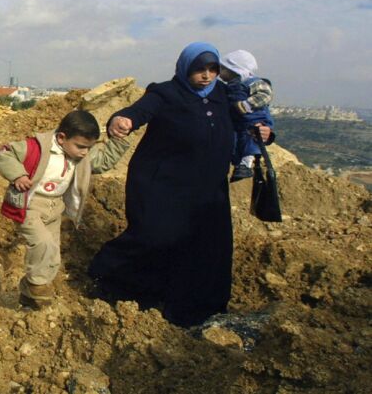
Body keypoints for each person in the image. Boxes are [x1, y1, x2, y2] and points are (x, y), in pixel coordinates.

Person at [87, 42, 272, 327]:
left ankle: (195, 311)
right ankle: (111, 279)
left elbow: (250, 120)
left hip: (208, 191)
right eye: (200, 69)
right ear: (186, 68)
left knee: (208, 248)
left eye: (213, 69)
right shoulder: (165, 92)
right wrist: (122, 120)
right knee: (154, 237)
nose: (207, 76)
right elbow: (139, 111)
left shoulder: (225, 94)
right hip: (162, 185)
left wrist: (265, 133)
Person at [0, 109, 131, 308]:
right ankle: (37, 285)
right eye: (80, 146)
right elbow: (5, 153)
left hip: (55, 207)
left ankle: (29, 297)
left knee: (53, 255)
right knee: (43, 245)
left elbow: (102, 163)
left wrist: (117, 142)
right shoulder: (36, 148)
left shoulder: (81, 155)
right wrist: (18, 175)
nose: (85, 152)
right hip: (30, 205)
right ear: (61, 137)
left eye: (88, 147)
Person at [218, 50, 275, 182]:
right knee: (236, 141)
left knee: (249, 140)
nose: (220, 72)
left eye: (223, 69)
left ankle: (246, 164)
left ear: (235, 69)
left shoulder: (253, 82)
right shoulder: (230, 86)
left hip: (253, 119)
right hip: (239, 122)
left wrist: (246, 105)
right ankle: (239, 165)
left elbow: (265, 95)